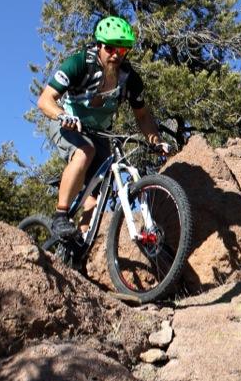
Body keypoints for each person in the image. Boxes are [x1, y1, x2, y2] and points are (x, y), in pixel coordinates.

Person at [37, 15, 170, 238]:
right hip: (68, 125)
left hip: (99, 133)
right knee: (84, 152)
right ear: (99, 45)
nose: (116, 55)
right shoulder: (79, 63)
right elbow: (45, 100)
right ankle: (60, 215)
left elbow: (143, 115)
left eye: (122, 50)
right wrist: (62, 116)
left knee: (97, 197)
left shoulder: (129, 78)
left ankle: (79, 247)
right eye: (110, 48)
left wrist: (155, 142)